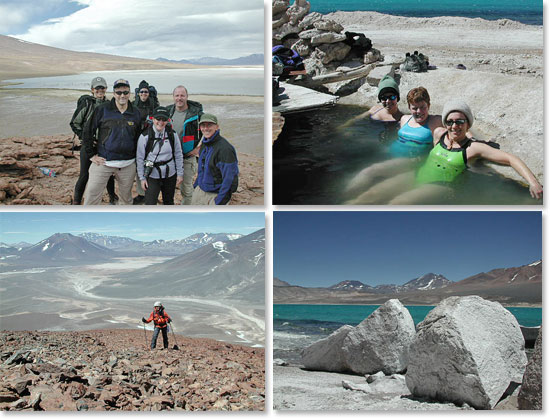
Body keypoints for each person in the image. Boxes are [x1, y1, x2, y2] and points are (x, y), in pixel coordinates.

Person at [348, 99, 543, 204]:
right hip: (417, 174)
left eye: (460, 121)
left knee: (397, 203)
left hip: (441, 184)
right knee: (369, 195)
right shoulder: (439, 135)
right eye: (450, 121)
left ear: (467, 124)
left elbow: (510, 159)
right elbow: (423, 123)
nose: (455, 126)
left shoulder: (473, 148)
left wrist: (533, 183)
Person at [346, 87, 443, 196]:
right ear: (409, 108)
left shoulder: (435, 121)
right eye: (415, 108)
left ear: (429, 106)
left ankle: (342, 198)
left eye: (423, 107)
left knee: (369, 172)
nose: (419, 112)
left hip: (410, 161)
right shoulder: (405, 119)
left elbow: (454, 128)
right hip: (390, 155)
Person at [82, 79, 142, 205]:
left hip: (128, 164)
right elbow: (87, 131)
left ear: (129, 93)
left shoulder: (135, 112)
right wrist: (91, 155)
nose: (122, 96)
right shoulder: (102, 110)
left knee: (126, 199)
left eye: (125, 92)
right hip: (103, 162)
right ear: (114, 93)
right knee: (92, 196)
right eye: (119, 92)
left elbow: (139, 137)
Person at [70, 76, 117, 205]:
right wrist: (85, 139)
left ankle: (112, 198)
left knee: (108, 174)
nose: (100, 90)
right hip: (88, 145)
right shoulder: (87, 104)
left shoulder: (109, 105)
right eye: (97, 88)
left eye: (102, 88)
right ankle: (76, 202)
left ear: (106, 89)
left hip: (103, 146)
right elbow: (74, 123)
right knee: (84, 175)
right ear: (92, 90)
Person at [136, 106, 184, 205]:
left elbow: (178, 154)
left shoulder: (172, 134)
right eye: (158, 119)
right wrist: (142, 178)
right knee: (150, 203)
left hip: (170, 174)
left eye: (164, 119)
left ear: (168, 120)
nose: (161, 122)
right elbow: (140, 159)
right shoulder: (144, 136)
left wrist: (180, 173)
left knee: (169, 202)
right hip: (152, 175)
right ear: (153, 119)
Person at [166, 86, 204, 205]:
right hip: (169, 158)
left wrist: (200, 148)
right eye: (177, 95)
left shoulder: (196, 114)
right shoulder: (168, 111)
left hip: (187, 157)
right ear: (173, 97)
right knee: (168, 189)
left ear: (187, 96)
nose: (179, 98)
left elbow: (212, 130)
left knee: (186, 190)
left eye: (182, 95)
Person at [192, 113, 239, 205]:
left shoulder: (225, 149)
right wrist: (196, 185)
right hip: (200, 190)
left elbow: (230, 178)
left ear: (217, 127)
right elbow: (202, 169)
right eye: (203, 125)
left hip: (215, 195)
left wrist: (219, 201)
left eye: (209, 125)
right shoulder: (204, 144)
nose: (206, 128)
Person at [132, 80, 158, 205]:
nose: (144, 94)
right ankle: (141, 193)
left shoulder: (154, 106)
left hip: (151, 141)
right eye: (141, 91)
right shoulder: (133, 105)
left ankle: (151, 192)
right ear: (138, 93)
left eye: (146, 92)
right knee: (139, 166)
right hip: (136, 141)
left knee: (151, 165)